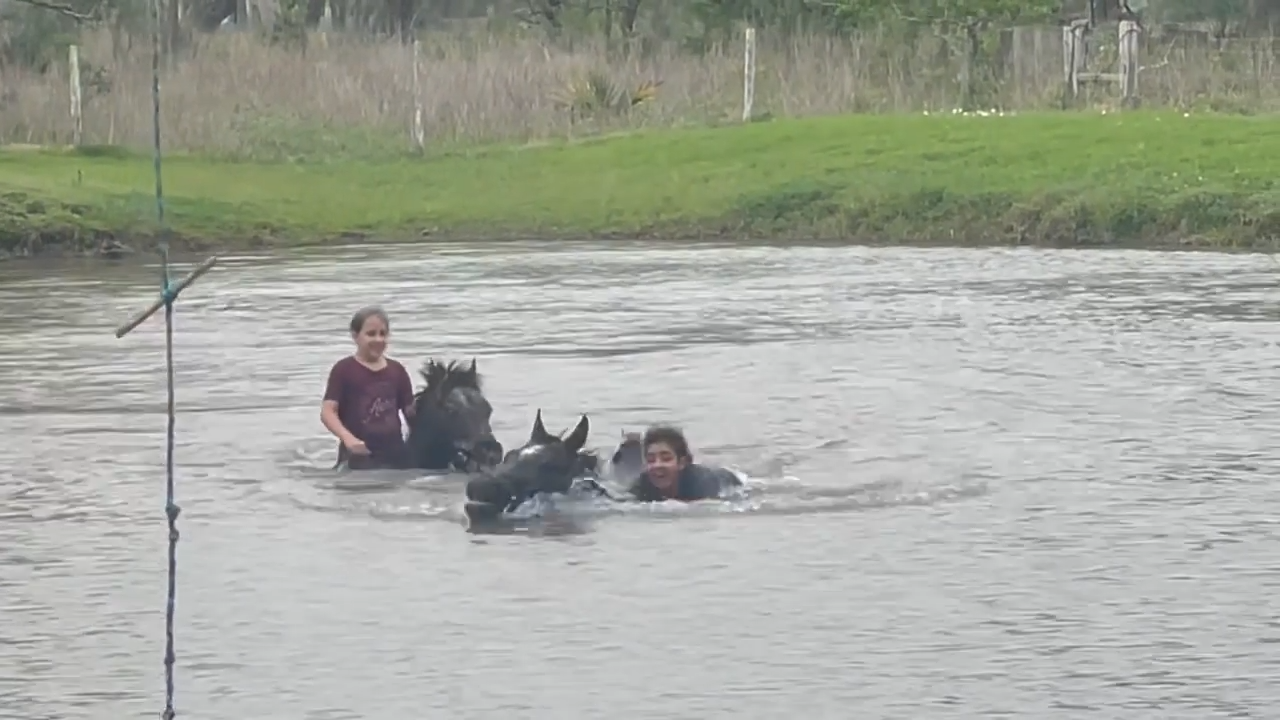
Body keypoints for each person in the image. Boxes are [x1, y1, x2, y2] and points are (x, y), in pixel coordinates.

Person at [320, 306, 416, 470]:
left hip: (396, 457)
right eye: (371, 334)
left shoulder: (397, 370)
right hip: (357, 457)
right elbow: (328, 412)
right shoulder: (344, 370)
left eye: (382, 334)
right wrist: (348, 439)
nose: (378, 340)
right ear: (355, 336)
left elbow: (411, 413)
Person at [626, 425, 743, 502]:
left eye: (666, 458)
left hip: (727, 479)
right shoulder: (643, 484)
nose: (657, 465)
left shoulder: (702, 484)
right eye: (651, 460)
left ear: (682, 462)